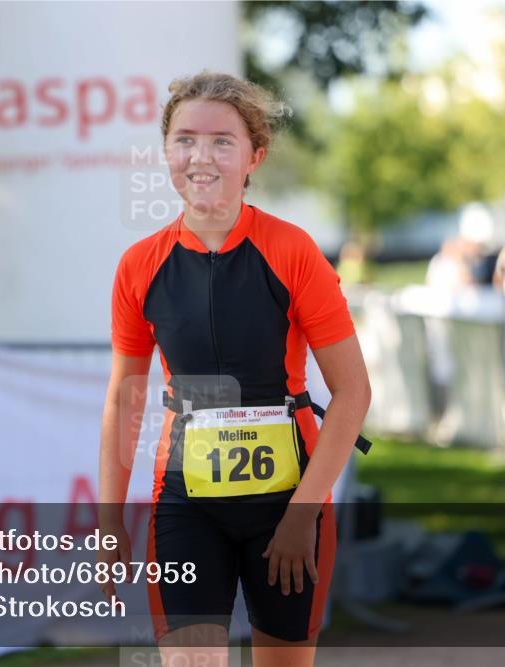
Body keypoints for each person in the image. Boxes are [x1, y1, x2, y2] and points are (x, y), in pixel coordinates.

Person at [98, 71, 372, 667]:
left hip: (289, 501)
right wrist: (110, 517)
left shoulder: (292, 250)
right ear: (166, 150)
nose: (202, 156)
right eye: (185, 139)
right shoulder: (140, 265)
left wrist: (303, 513)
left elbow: (353, 393)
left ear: (255, 155)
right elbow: (126, 396)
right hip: (185, 504)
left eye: (223, 141)